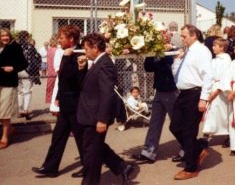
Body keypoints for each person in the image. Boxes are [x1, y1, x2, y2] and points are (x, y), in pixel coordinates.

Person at [77, 33, 134, 185]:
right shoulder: (97, 62)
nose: (85, 52)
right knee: (95, 148)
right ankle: (122, 167)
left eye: (87, 49)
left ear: (95, 48)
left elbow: (107, 94)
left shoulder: (105, 64)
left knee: (91, 154)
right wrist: (82, 69)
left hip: (95, 116)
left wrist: (102, 119)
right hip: (90, 114)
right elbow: (87, 86)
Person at [32, 25, 84, 177]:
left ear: (71, 39)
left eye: (61, 38)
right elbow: (62, 79)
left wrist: (68, 58)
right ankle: (50, 167)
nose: (59, 40)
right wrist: (58, 97)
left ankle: (89, 166)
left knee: (81, 138)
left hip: (75, 103)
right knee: (58, 136)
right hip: (66, 101)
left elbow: (74, 78)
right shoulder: (67, 52)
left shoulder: (79, 53)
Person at [170, 24, 213, 180]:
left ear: (194, 35)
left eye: (184, 36)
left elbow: (208, 75)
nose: (182, 39)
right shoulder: (187, 52)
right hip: (183, 94)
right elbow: (179, 75)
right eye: (181, 36)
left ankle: (191, 167)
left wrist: (204, 98)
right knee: (174, 126)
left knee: (189, 131)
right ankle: (197, 149)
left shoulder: (202, 51)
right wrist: (176, 62)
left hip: (195, 94)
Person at [133, 48, 178, 163]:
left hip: (171, 90)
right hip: (159, 90)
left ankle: (188, 149)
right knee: (155, 122)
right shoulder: (156, 50)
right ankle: (149, 152)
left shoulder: (173, 50)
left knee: (178, 122)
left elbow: (167, 66)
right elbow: (148, 68)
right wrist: (151, 53)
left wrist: (160, 54)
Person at [0, 29, 27, 149]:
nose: (5, 38)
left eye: (7, 35)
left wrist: (13, 68)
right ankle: (10, 129)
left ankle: (5, 137)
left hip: (8, 82)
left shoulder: (15, 47)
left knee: (5, 111)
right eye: (2, 36)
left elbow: (24, 64)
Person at [202, 37, 231, 146]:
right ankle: (206, 135)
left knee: (222, 113)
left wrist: (217, 91)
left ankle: (229, 134)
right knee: (211, 113)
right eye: (213, 45)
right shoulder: (214, 60)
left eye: (215, 45)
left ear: (222, 47)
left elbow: (225, 77)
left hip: (220, 90)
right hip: (212, 87)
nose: (212, 47)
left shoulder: (226, 59)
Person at [17, 30, 41, 119]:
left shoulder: (15, 46)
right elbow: (36, 57)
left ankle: (19, 110)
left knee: (19, 91)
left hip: (16, 70)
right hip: (27, 70)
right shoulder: (30, 47)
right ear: (27, 37)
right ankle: (25, 110)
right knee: (27, 90)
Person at [45, 35, 57, 104]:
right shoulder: (57, 50)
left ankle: (50, 100)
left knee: (50, 86)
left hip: (50, 70)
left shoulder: (49, 50)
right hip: (55, 69)